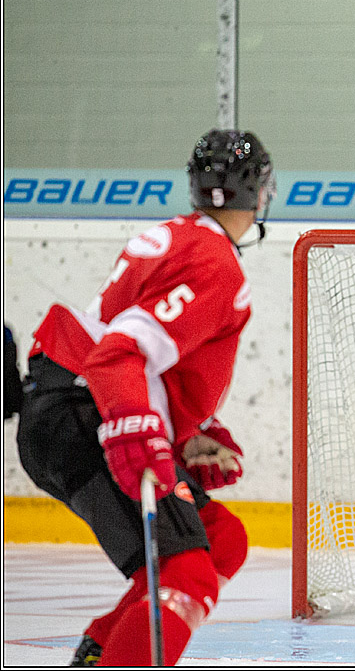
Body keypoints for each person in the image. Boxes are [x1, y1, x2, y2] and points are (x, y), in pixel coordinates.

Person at [15, 129, 275, 666]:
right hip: (89, 414)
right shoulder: (215, 262)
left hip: (71, 407)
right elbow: (119, 351)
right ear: (256, 190)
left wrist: (188, 435)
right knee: (188, 575)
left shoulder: (179, 236)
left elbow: (130, 350)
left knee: (220, 539)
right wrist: (138, 433)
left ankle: (103, 650)